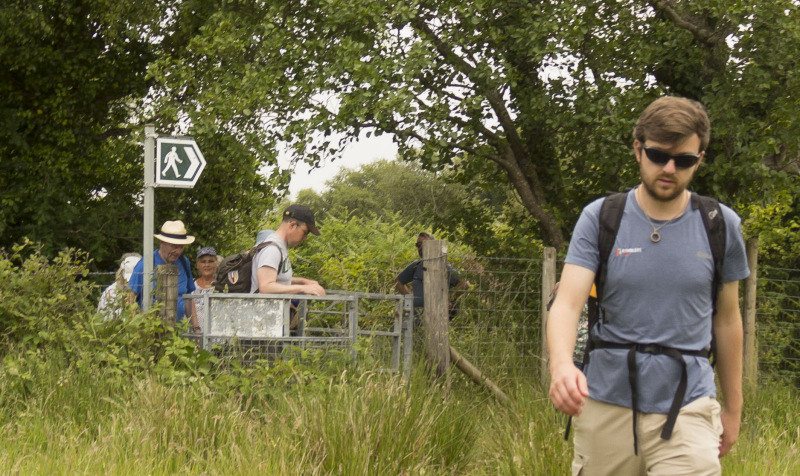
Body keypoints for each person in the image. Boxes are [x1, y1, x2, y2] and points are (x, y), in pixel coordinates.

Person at [547, 96, 750, 475]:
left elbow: (727, 321)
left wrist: (733, 410)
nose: (670, 168)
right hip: (605, 402)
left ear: (700, 159)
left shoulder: (720, 225)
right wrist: (561, 366)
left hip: (688, 406)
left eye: (685, 160)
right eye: (659, 156)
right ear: (638, 149)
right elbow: (567, 303)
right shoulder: (601, 217)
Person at [128, 220, 201, 332]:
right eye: (174, 246)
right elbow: (129, 298)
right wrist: (137, 330)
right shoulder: (146, 264)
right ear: (162, 243)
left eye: (181, 247)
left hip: (177, 335)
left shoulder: (184, 262)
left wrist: (196, 328)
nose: (177, 251)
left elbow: (188, 298)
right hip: (149, 334)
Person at [394, 232, 471, 324]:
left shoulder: (444, 267)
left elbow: (465, 285)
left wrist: (449, 298)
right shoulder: (416, 266)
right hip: (415, 319)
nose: (421, 247)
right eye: (418, 245)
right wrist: (409, 297)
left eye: (425, 244)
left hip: (437, 320)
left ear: (433, 245)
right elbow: (397, 281)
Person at [250, 205, 325, 296]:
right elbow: (266, 287)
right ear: (292, 225)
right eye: (305, 232)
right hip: (262, 310)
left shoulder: (280, 247)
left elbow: (278, 279)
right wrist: (304, 288)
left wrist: (303, 282)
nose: (305, 238)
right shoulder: (272, 250)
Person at [97, 252, 141, 321]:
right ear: (121, 274)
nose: (131, 283)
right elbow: (101, 318)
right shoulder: (110, 292)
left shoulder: (148, 291)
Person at [192, 246, 219, 330]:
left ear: (216, 264)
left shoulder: (221, 286)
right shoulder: (191, 286)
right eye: (203, 262)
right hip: (194, 335)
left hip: (215, 335)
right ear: (197, 265)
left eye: (210, 261)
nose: (207, 265)